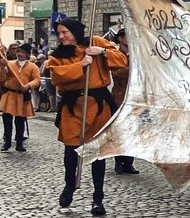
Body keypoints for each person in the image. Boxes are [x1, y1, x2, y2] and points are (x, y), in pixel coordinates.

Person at [47, 18, 127, 216]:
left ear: (74, 31)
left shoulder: (96, 42)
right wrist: (81, 65)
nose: (62, 36)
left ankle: (98, 198)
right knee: (71, 151)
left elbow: (122, 60)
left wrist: (103, 52)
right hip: (73, 107)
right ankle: (69, 185)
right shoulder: (57, 55)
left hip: (98, 107)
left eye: (65, 32)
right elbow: (57, 76)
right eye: (59, 33)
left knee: (97, 154)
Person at [0, 43, 40, 152]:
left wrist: (28, 85)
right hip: (10, 94)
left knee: (20, 120)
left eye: (22, 52)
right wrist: (2, 67)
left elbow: (37, 80)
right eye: (18, 51)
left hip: (21, 95)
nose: (19, 54)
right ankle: (7, 142)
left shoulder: (32, 67)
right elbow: (1, 79)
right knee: (7, 119)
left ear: (27, 55)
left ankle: (19, 143)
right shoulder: (9, 64)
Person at [110, 28, 139, 175]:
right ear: (120, 39)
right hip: (119, 97)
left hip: (134, 98)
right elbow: (116, 73)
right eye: (127, 36)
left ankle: (129, 162)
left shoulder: (136, 54)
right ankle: (118, 161)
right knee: (119, 131)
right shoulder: (116, 55)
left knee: (133, 131)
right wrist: (132, 68)